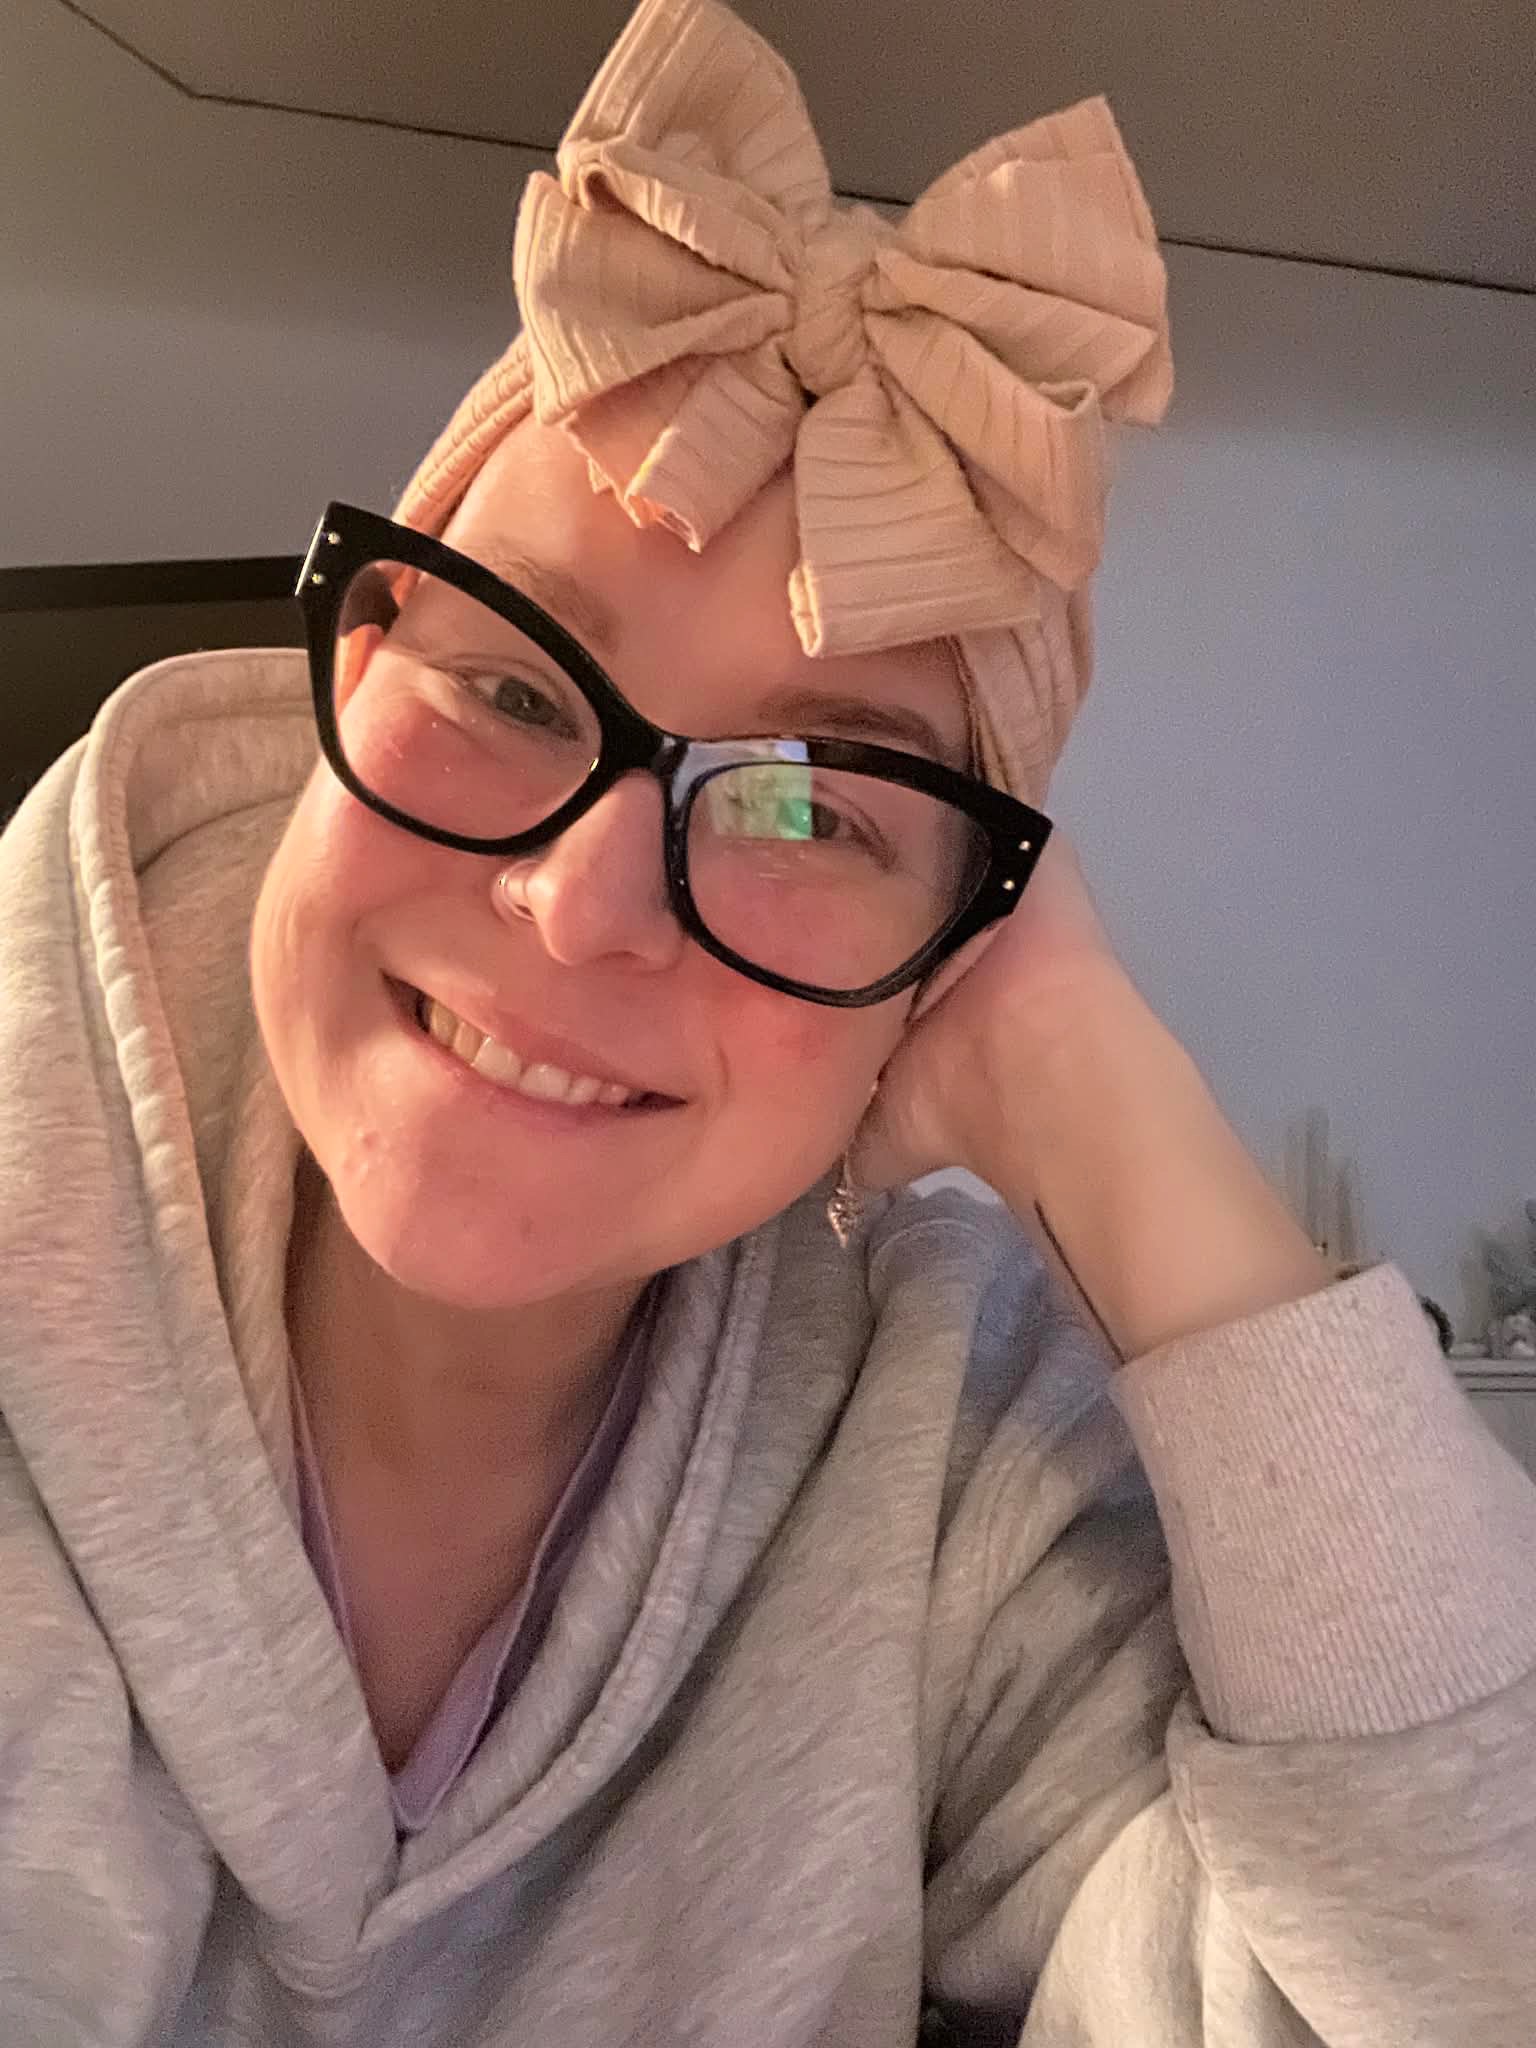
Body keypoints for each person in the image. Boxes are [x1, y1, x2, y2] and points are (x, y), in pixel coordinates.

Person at [1, 0, 1532, 2040]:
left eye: (812, 804)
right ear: (350, 674)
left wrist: (1102, 1097)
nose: (581, 901)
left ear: (952, 954)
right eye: (512, 684)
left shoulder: (958, 1455)